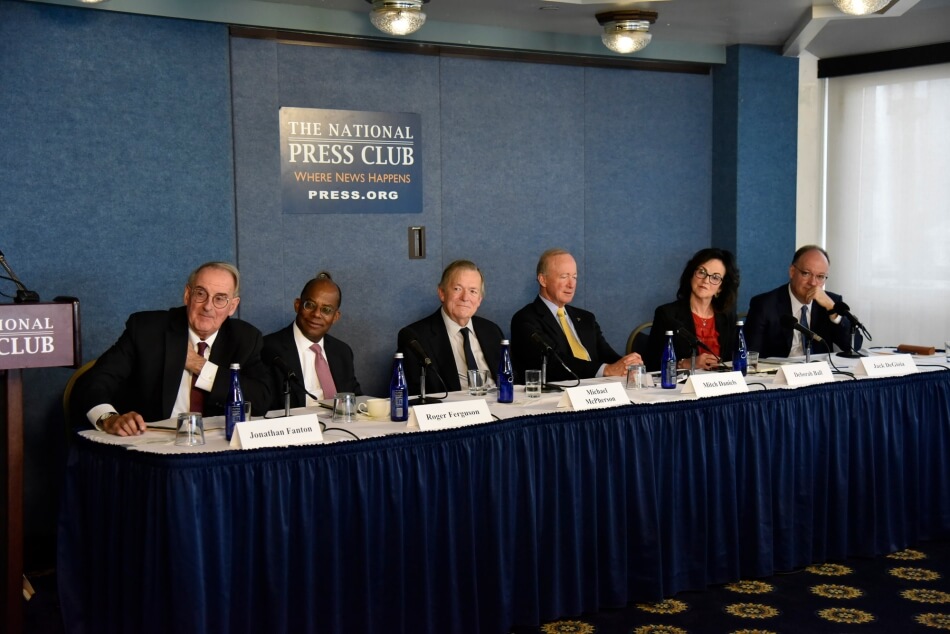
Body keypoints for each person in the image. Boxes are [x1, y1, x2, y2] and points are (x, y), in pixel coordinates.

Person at [73, 261, 272, 436]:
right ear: (187, 295)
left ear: (233, 306)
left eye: (220, 298)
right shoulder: (146, 330)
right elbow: (93, 382)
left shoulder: (245, 338)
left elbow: (261, 399)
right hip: (152, 445)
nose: (208, 307)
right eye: (201, 294)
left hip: (217, 449)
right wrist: (109, 418)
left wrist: (200, 366)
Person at [510, 248, 642, 382]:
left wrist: (628, 364)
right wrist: (606, 370)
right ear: (543, 280)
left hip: (598, 393)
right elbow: (553, 363)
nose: (571, 284)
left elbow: (606, 354)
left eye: (574, 277)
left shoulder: (586, 318)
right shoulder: (525, 319)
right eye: (564, 277)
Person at [397, 260, 504, 395]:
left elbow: (511, 380)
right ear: (442, 293)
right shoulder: (416, 337)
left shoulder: (492, 331)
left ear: (479, 300)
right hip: (453, 412)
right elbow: (414, 393)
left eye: (473, 291)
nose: (465, 297)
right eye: (457, 289)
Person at [262, 271, 361, 410]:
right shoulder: (267, 349)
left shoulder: (342, 352)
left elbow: (355, 400)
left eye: (326, 310)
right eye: (310, 305)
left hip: (341, 429)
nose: (316, 314)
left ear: (336, 317)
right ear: (297, 305)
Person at [745, 245, 861, 358]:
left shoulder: (832, 302)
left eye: (820, 276)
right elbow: (751, 354)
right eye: (806, 273)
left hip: (820, 373)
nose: (813, 283)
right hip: (779, 373)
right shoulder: (764, 304)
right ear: (792, 271)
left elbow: (854, 347)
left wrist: (832, 310)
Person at [645, 248, 740, 371]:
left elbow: (734, 360)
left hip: (721, 385)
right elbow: (651, 364)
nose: (706, 280)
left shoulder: (728, 317)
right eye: (702, 272)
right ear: (691, 275)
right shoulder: (667, 314)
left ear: (720, 288)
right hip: (683, 387)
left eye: (715, 277)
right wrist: (684, 364)